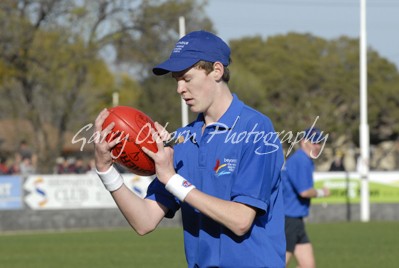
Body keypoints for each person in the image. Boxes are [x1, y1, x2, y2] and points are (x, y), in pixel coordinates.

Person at [94, 30, 286, 267]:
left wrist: (172, 180)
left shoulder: (256, 129)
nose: (180, 89)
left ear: (216, 70)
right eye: (176, 80)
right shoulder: (183, 141)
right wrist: (105, 170)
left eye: (187, 78)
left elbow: (240, 220)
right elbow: (144, 222)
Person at [282, 127, 330, 268]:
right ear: (304, 142)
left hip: (296, 219)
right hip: (289, 219)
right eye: (314, 142)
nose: (317, 146)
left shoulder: (305, 159)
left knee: (308, 265)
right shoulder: (301, 160)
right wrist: (322, 192)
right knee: (280, 263)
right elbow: (304, 192)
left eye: (319, 142)